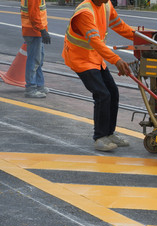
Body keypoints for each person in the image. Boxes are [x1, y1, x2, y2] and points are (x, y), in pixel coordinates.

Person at [62, 0, 134, 152]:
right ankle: (100, 138)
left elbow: (119, 25)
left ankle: (109, 133)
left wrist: (141, 37)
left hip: (95, 58)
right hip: (80, 59)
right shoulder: (85, 12)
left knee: (113, 92)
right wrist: (116, 60)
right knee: (102, 94)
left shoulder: (106, 5)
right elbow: (95, 41)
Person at [21, 0, 51, 98]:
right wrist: (42, 30)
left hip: (35, 31)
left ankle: (39, 85)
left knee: (38, 60)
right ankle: (31, 88)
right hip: (33, 31)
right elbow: (34, 14)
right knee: (34, 61)